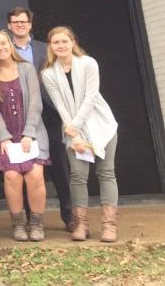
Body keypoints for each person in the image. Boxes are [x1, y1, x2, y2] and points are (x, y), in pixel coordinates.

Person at [40, 26, 119, 243]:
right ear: (51, 47)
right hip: (72, 131)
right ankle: (81, 224)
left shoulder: (88, 63)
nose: (61, 46)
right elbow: (59, 105)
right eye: (56, 43)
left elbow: (91, 97)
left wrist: (75, 125)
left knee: (106, 173)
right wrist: (73, 134)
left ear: (73, 42)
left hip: (101, 125)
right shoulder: (48, 74)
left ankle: (109, 225)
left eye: (64, 41)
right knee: (77, 176)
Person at [6, 6, 74, 231]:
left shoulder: (46, 49)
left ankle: (70, 215)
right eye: (15, 22)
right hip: (22, 119)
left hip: (50, 115)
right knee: (25, 168)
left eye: (23, 22)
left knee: (60, 167)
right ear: (9, 26)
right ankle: (28, 219)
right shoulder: (6, 50)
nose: (19, 25)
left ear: (30, 25)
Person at [0, 31, 50, 242]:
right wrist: (3, 136)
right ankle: (18, 223)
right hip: (5, 136)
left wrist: (29, 133)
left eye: (3, 43)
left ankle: (36, 223)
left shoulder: (26, 68)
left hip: (32, 132)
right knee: (12, 178)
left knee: (35, 176)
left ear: (10, 45)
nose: (0, 48)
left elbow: (36, 103)